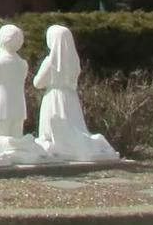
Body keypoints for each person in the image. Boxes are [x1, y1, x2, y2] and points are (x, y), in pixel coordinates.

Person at [33, 24, 118, 162]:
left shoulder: (50, 61)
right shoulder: (73, 62)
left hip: (53, 97)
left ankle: (58, 146)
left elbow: (38, 83)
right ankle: (87, 142)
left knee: (52, 129)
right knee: (72, 125)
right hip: (70, 98)